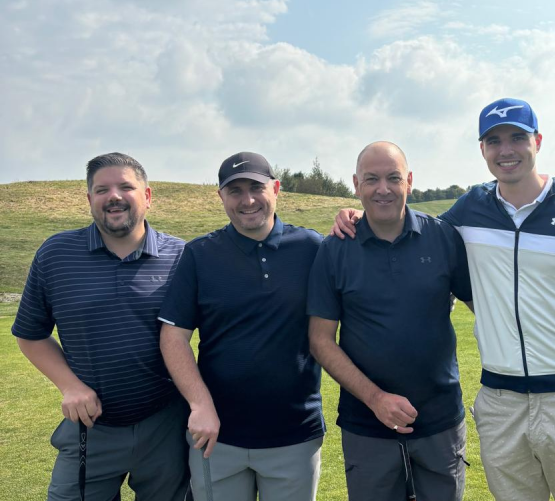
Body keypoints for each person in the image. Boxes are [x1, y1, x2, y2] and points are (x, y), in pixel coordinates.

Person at [334, 100, 555, 501]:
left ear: (538, 141)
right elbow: (405, 225)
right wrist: (355, 214)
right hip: (501, 401)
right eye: (494, 141)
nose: (506, 150)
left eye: (517, 137)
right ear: (482, 150)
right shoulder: (470, 208)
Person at [12, 152, 190, 501]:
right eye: (102, 189)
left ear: (148, 196)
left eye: (126, 186)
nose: (114, 196)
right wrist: (70, 386)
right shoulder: (56, 254)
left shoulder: (181, 256)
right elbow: (30, 334)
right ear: (89, 199)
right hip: (91, 427)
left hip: (164, 423)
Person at [308, 141, 472, 501]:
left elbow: (487, 312)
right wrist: (376, 398)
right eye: (371, 179)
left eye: (393, 178)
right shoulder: (334, 249)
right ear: (356, 184)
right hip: (367, 425)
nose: (383, 189)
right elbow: (321, 340)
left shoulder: (443, 237)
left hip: (440, 422)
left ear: (409, 181)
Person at [159, 151, 325, 501]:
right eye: (235, 190)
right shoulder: (199, 254)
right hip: (217, 437)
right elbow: (173, 337)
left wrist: (354, 216)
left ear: (276, 189)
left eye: (256, 187)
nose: (247, 200)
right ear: (221, 197)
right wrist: (200, 405)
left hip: (295, 436)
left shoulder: (312, 248)